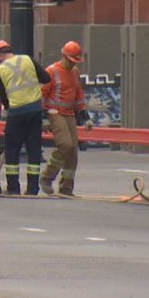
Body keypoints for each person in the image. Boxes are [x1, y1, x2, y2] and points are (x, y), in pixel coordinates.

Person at [0, 40, 52, 196]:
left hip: (16, 113)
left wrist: (9, 106)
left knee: (12, 151)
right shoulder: (27, 59)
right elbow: (46, 78)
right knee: (34, 150)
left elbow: (3, 97)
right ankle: (32, 189)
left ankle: (13, 188)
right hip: (34, 111)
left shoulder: (0, 70)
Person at [39, 41, 91, 196]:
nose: (72, 64)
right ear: (64, 56)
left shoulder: (74, 72)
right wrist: (44, 117)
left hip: (69, 114)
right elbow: (42, 94)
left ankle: (66, 187)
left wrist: (85, 117)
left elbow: (79, 96)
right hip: (55, 112)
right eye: (71, 60)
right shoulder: (51, 71)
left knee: (72, 151)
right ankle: (47, 176)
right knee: (65, 145)